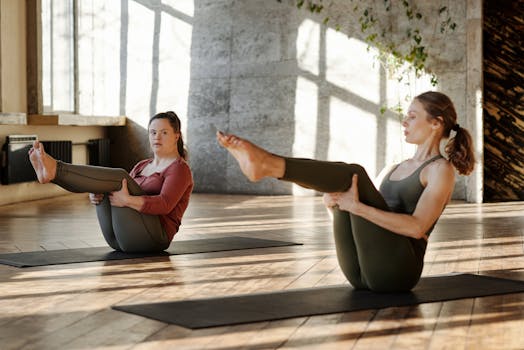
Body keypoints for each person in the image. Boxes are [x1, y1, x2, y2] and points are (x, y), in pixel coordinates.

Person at [217, 91, 475, 292]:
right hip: (360, 272)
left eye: (412, 116)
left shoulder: (439, 169)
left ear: (435, 123)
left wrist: (357, 207)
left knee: (353, 174)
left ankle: (269, 164)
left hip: (397, 273)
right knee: (345, 182)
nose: (404, 121)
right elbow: (361, 219)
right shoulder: (394, 166)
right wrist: (336, 207)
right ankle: (268, 164)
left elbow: (417, 228)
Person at [29, 111, 193, 253]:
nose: (157, 137)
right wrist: (96, 194)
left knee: (118, 178)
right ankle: (53, 176)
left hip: (154, 239)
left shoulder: (179, 169)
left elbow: (165, 204)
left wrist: (128, 200)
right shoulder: (142, 165)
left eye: (164, 132)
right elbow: (119, 194)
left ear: (176, 136)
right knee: (107, 185)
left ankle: (57, 170)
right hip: (118, 239)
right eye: (153, 132)